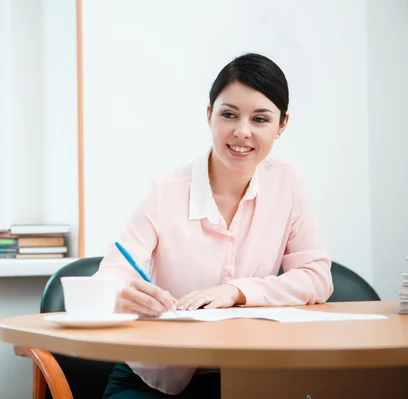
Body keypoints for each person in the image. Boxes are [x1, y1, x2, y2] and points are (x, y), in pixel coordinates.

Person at [94, 52, 334, 398]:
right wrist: (122, 294)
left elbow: (316, 276)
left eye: (261, 119)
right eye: (229, 114)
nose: (242, 131)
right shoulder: (166, 191)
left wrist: (237, 291)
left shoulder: (286, 183)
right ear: (209, 116)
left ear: (282, 125)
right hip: (156, 378)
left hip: (251, 375)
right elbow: (110, 275)